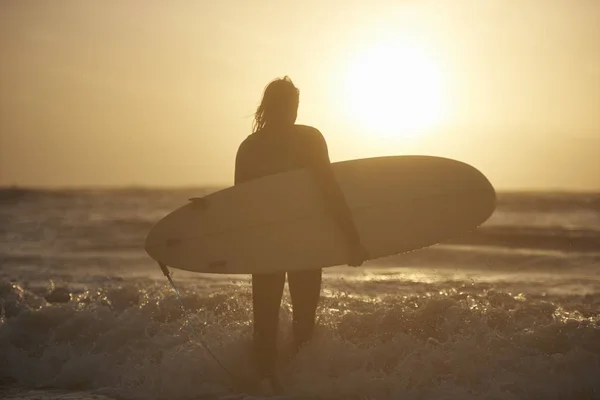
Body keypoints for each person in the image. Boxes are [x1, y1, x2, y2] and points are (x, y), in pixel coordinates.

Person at [234, 76, 369, 392]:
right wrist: (351, 239)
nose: (292, 113)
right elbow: (329, 191)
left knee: (269, 327)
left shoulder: (250, 147)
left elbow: (239, 209)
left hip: (272, 245)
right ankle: (293, 386)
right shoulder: (308, 139)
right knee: (300, 325)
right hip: (304, 242)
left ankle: (268, 385)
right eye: (289, 106)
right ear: (276, 107)